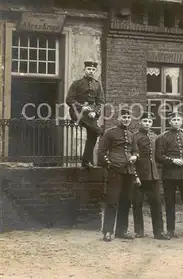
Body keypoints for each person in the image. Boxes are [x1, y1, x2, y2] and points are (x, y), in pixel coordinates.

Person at [97, 108, 139, 242]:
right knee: (112, 201)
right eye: (124, 117)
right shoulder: (110, 133)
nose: (126, 119)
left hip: (129, 171)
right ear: (118, 119)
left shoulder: (132, 135)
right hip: (115, 171)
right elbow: (101, 153)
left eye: (128, 117)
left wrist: (134, 157)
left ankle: (121, 231)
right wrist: (110, 165)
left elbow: (136, 151)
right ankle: (108, 231)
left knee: (126, 202)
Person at [131, 111, 169, 240]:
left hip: (153, 175)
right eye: (145, 121)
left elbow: (158, 155)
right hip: (140, 175)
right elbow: (132, 157)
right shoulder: (134, 137)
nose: (147, 123)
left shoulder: (154, 136)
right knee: (137, 203)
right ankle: (138, 231)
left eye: (149, 121)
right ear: (140, 122)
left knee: (157, 203)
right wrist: (135, 175)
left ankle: (159, 232)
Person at [66, 60, 104, 168]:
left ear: (95, 71)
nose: (91, 71)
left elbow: (100, 101)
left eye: (93, 70)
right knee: (96, 130)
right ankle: (101, 131)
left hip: (90, 114)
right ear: (84, 70)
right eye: (89, 69)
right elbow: (69, 100)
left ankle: (86, 161)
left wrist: (95, 112)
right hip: (77, 112)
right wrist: (82, 106)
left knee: (92, 135)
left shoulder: (97, 85)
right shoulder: (77, 83)